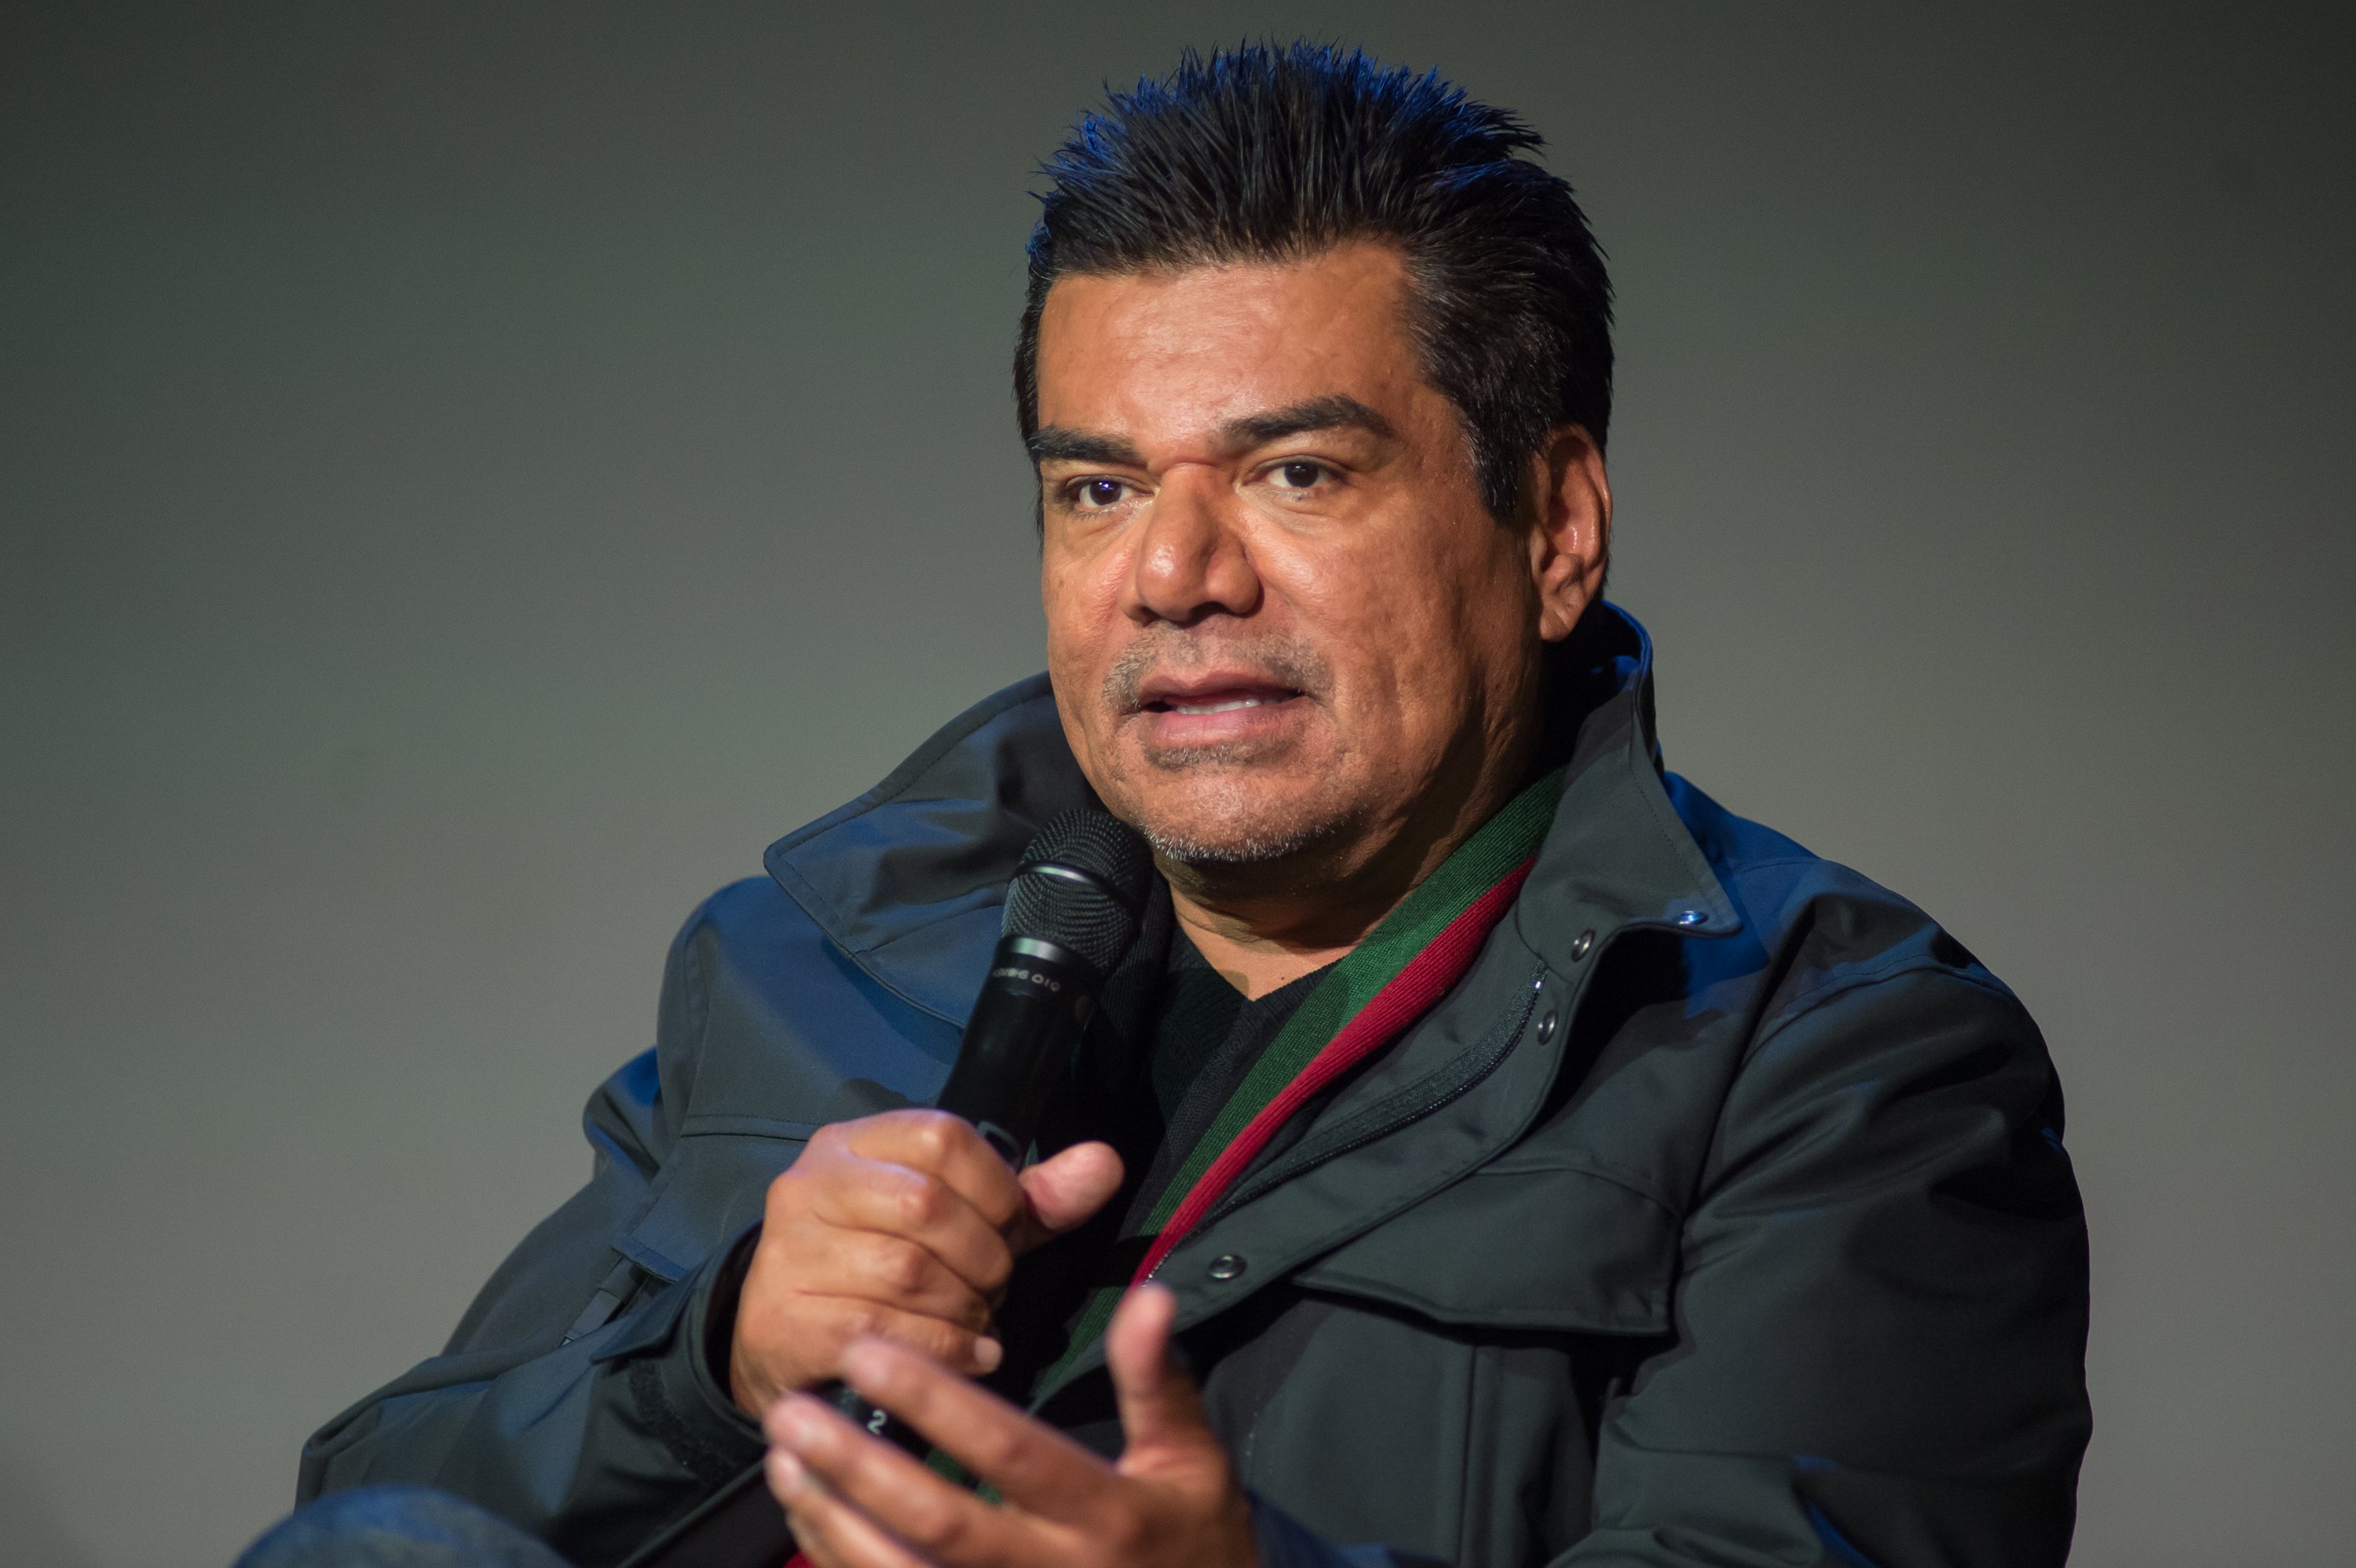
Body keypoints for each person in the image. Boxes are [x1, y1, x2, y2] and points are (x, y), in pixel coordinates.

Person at [267, 43, 2091, 1568]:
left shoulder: (1845, 1070)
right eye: (1095, 490)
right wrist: (712, 1360)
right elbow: (375, 1518)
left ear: (1554, 529)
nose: (1173, 573)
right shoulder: (808, 955)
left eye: (1298, 472)